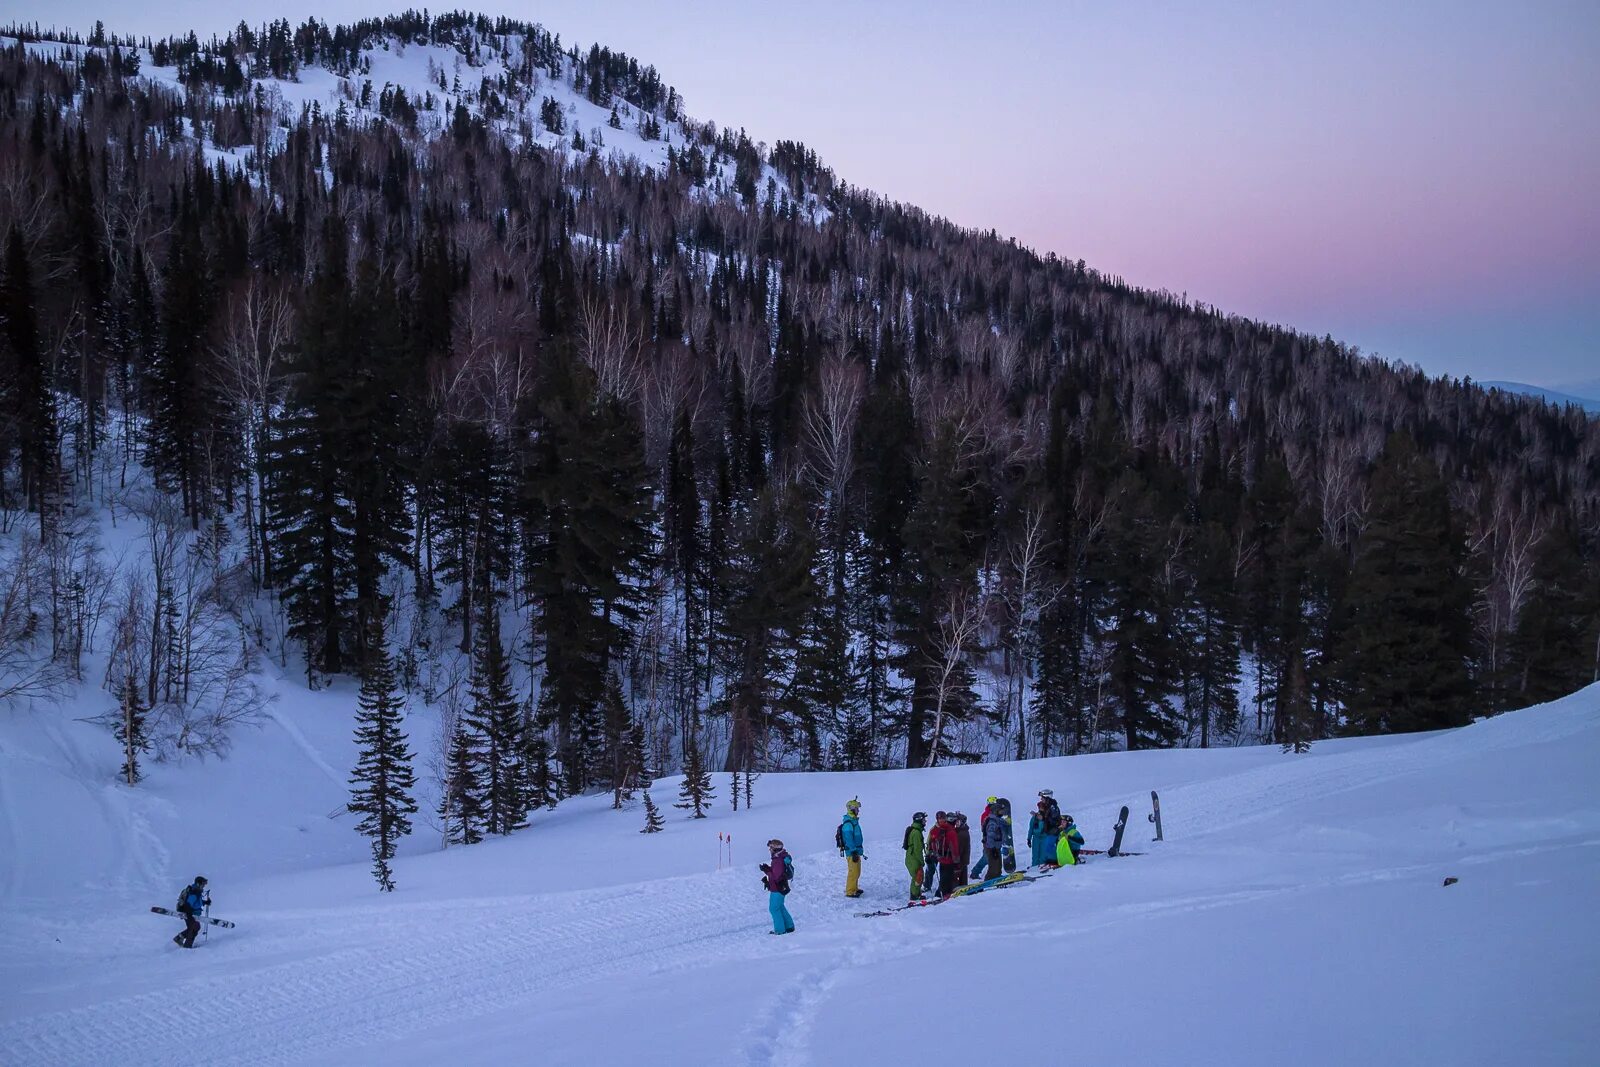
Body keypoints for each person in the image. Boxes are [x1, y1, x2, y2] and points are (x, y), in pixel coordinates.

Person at [761, 839, 796, 934]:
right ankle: (789, 926)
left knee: (774, 908)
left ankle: (780, 930)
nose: (769, 850)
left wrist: (766, 871)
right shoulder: (781, 857)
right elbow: (777, 872)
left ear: (775, 849)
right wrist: (768, 869)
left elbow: (776, 877)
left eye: (771, 848)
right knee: (779, 906)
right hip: (781, 887)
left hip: (777, 888)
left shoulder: (777, 860)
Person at [927, 811, 960, 899]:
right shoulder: (950, 830)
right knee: (948, 878)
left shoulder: (935, 830)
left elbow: (930, 843)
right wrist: (956, 861)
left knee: (944, 877)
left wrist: (931, 854)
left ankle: (941, 894)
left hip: (940, 858)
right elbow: (954, 847)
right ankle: (943, 895)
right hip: (948, 858)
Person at [173, 875, 209, 949]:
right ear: (198, 884)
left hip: (192, 914)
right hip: (190, 914)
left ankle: (180, 937)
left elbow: (196, 903)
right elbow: (189, 904)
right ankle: (187, 947)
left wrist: (205, 902)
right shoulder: (194, 892)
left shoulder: (197, 891)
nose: (203, 886)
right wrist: (189, 915)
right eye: (203, 884)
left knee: (195, 927)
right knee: (193, 928)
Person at [839, 798, 865, 897]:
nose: (858, 811)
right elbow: (848, 839)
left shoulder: (853, 821)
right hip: (852, 851)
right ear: (852, 809)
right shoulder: (848, 823)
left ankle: (854, 888)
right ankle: (850, 891)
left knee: (857, 870)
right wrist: (853, 851)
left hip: (856, 850)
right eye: (857, 808)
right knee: (853, 871)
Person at [971, 797, 998, 880]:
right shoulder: (986, 815)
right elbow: (986, 826)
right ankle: (975, 872)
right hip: (988, 838)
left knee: (993, 856)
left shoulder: (994, 814)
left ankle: (993, 873)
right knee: (987, 857)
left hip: (995, 838)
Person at [902, 812, 928, 901]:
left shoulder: (916, 830)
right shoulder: (916, 832)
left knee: (918, 876)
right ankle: (914, 895)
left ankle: (916, 893)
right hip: (913, 858)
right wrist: (922, 861)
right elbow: (917, 849)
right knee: (918, 876)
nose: (925, 821)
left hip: (911, 857)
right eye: (924, 820)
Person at [980, 801, 1006, 882]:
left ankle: (997, 878)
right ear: (995, 811)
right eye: (1000, 811)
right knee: (993, 866)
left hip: (996, 846)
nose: (1002, 812)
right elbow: (990, 836)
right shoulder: (992, 822)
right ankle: (989, 880)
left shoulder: (997, 820)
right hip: (991, 847)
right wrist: (992, 849)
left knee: (998, 865)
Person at [953, 812, 972, 887]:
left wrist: (956, 860)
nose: (956, 823)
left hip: (961, 859)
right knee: (962, 876)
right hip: (963, 859)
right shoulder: (961, 831)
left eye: (958, 821)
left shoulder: (961, 833)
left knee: (959, 876)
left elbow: (960, 849)